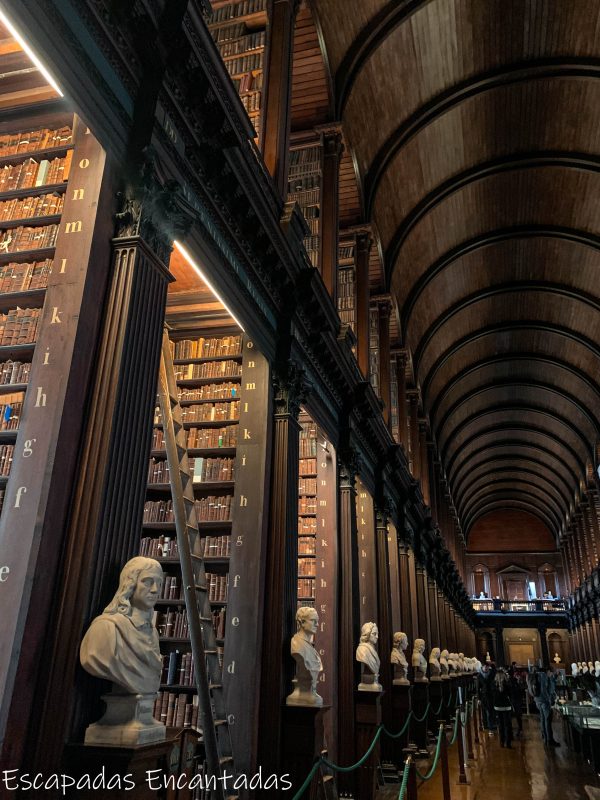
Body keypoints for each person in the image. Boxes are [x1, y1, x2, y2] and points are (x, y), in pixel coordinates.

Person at [80, 556, 164, 695]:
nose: (155, 589)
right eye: (147, 582)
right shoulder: (107, 628)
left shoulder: (152, 632)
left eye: (159, 583)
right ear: (129, 584)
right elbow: (95, 659)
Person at [528, 666, 560, 746]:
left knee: (542, 719)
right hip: (545, 701)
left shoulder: (534, 676)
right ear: (548, 671)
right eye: (551, 672)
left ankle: (544, 735)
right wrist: (553, 679)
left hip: (537, 700)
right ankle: (549, 739)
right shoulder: (543, 676)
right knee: (547, 720)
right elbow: (549, 689)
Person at [493, 669, 513, 748]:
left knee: (500, 724)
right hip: (506, 706)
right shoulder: (507, 683)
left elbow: (493, 696)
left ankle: (502, 741)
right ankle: (508, 742)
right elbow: (511, 694)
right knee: (507, 724)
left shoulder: (494, 684)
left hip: (498, 706)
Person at [477, 661, 497, 735]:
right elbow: (478, 688)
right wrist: (479, 698)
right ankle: (486, 725)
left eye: (487, 666)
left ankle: (491, 726)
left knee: (490, 711)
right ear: (482, 667)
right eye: (484, 666)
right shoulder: (479, 676)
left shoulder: (492, 674)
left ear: (489, 667)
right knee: (485, 711)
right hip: (483, 696)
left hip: (491, 695)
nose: (485, 668)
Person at [508, 667, 523, 737]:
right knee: (513, 715)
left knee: (518, 715)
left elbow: (521, 689)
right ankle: (512, 730)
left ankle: (520, 729)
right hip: (513, 699)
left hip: (517, 699)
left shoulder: (518, 680)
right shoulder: (511, 681)